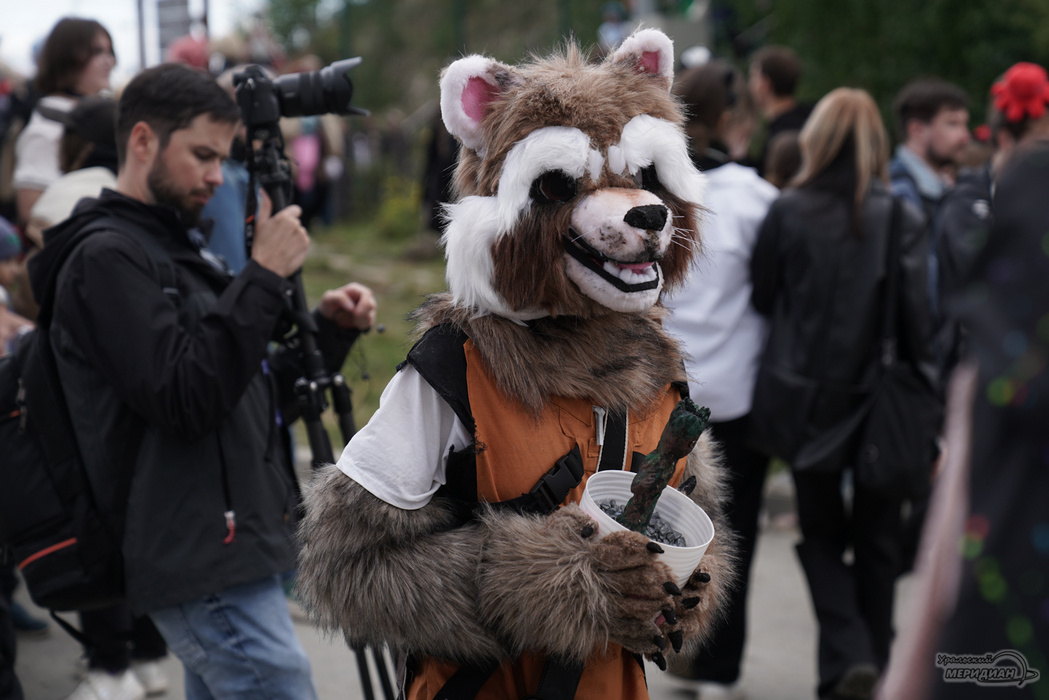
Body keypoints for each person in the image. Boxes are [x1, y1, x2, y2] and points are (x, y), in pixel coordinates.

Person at [27, 62, 376, 700]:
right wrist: (265, 275)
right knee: (279, 684)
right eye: (202, 155)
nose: (217, 175)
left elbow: (243, 395)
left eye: (224, 157)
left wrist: (327, 333)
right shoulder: (104, 259)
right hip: (193, 547)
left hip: (226, 536)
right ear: (142, 142)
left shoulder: (173, 248)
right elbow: (186, 398)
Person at [750, 88, 935, 700]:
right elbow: (917, 320)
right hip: (879, 402)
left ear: (816, 139)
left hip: (803, 399)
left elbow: (762, 294)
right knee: (879, 542)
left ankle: (848, 660)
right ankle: (871, 667)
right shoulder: (899, 216)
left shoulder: (789, 209)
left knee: (822, 535)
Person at [877, 64, 1049, 700]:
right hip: (951, 382)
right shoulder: (950, 200)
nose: (960, 133)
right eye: (948, 122)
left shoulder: (1000, 198)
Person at [663, 59, 778, 700]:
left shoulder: (659, 197)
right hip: (738, 399)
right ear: (733, 118)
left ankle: (661, 654)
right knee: (735, 536)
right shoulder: (760, 200)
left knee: (649, 527)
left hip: (666, 397)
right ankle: (719, 668)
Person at [13, 17, 115, 227]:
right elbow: (33, 214)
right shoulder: (46, 128)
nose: (108, 61)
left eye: (109, 52)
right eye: (97, 52)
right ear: (67, 57)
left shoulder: (100, 111)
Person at [747, 45, 812, 176]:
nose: (749, 85)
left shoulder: (780, 135)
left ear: (764, 84)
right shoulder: (813, 119)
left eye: (753, 77)